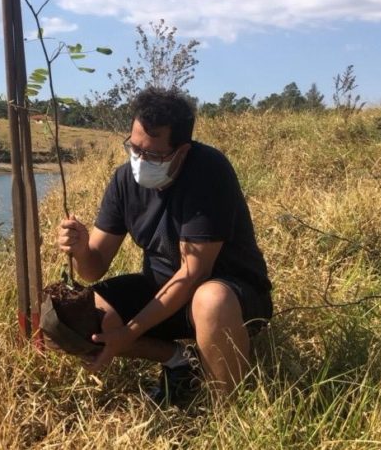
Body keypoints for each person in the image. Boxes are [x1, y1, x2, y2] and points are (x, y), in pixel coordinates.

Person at [57, 87, 272, 404]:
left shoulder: (208, 172)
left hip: (231, 297)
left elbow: (193, 274)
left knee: (210, 299)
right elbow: (93, 269)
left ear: (182, 151)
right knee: (78, 314)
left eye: (154, 155)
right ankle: (178, 361)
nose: (140, 160)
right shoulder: (124, 180)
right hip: (162, 291)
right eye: (134, 147)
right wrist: (80, 249)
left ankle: (227, 412)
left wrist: (127, 334)